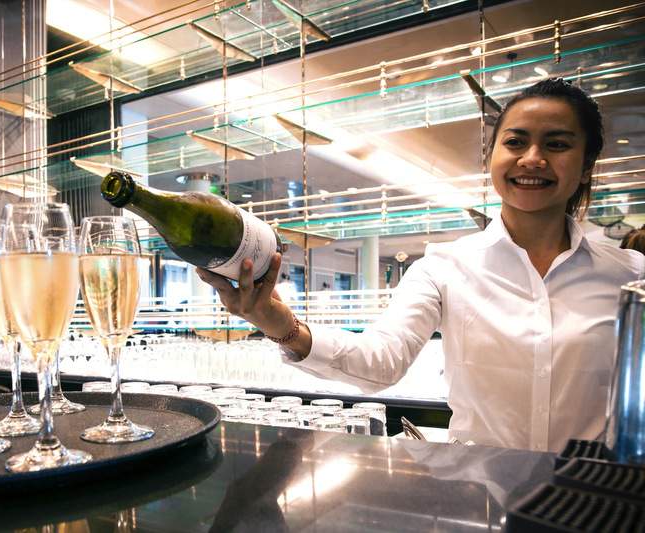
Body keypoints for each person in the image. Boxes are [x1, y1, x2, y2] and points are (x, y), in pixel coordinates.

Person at [197, 78, 645, 452]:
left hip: (595, 502)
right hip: (481, 501)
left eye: (557, 144)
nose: (532, 159)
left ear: (586, 166)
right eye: (515, 142)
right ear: (492, 156)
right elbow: (381, 362)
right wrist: (277, 322)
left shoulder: (631, 275)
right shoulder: (444, 268)